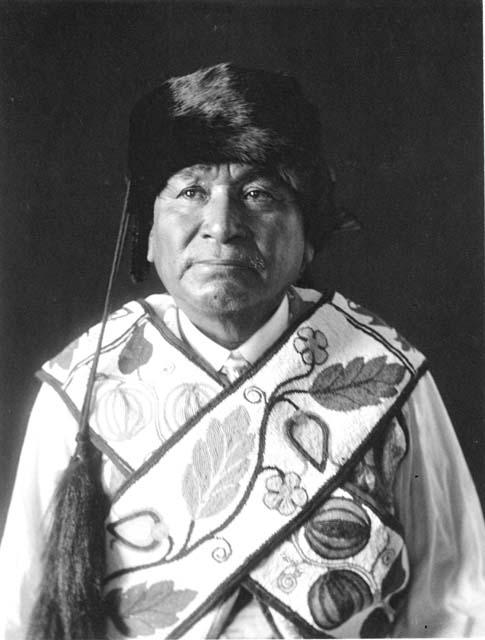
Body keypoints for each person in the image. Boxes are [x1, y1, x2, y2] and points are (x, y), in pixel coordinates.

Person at [0, 62, 484, 640]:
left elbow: (458, 601)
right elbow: (19, 612)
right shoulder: (83, 387)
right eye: (191, 192)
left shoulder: (385, 376)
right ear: (149, 236)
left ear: (307, 236)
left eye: (258, 193)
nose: (222, 225)